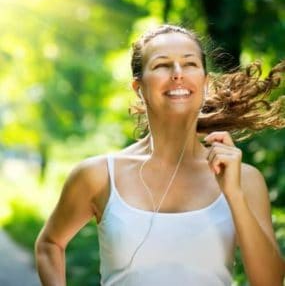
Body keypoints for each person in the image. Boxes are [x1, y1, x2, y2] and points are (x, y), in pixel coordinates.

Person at [35, 24, 285, 286]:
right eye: (162, 65)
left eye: (189, 64)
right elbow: (50, 244)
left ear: (205, 82)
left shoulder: (244, 180)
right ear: (138, 87)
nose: (177, 74)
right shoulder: (98, 175)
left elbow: (269, 282)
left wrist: (234, 195)